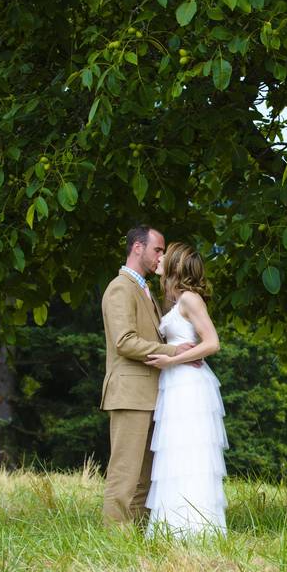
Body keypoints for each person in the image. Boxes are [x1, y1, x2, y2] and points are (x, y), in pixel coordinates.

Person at [99, 225, 197, 525]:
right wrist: (174, 352)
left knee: (145, 477)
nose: (162, 256)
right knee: (125, 473)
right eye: (157, 249)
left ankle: (136, 540)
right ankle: (115, 541)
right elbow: (124, 341)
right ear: (137, 248)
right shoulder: (120, 287)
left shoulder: (144, 289)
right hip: (129, 395)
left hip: (148, 395)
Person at [143, 243, 228, 537]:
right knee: (175, 454)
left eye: (165, 254)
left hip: (189, 385)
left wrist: (172, 359)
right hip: (176, 384)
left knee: (190, 455)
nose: (160, 257)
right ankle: (174, 527)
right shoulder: (174, 299)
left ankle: (196, 530)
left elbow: (212, 343)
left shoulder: (191, 299)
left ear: (176, 264)